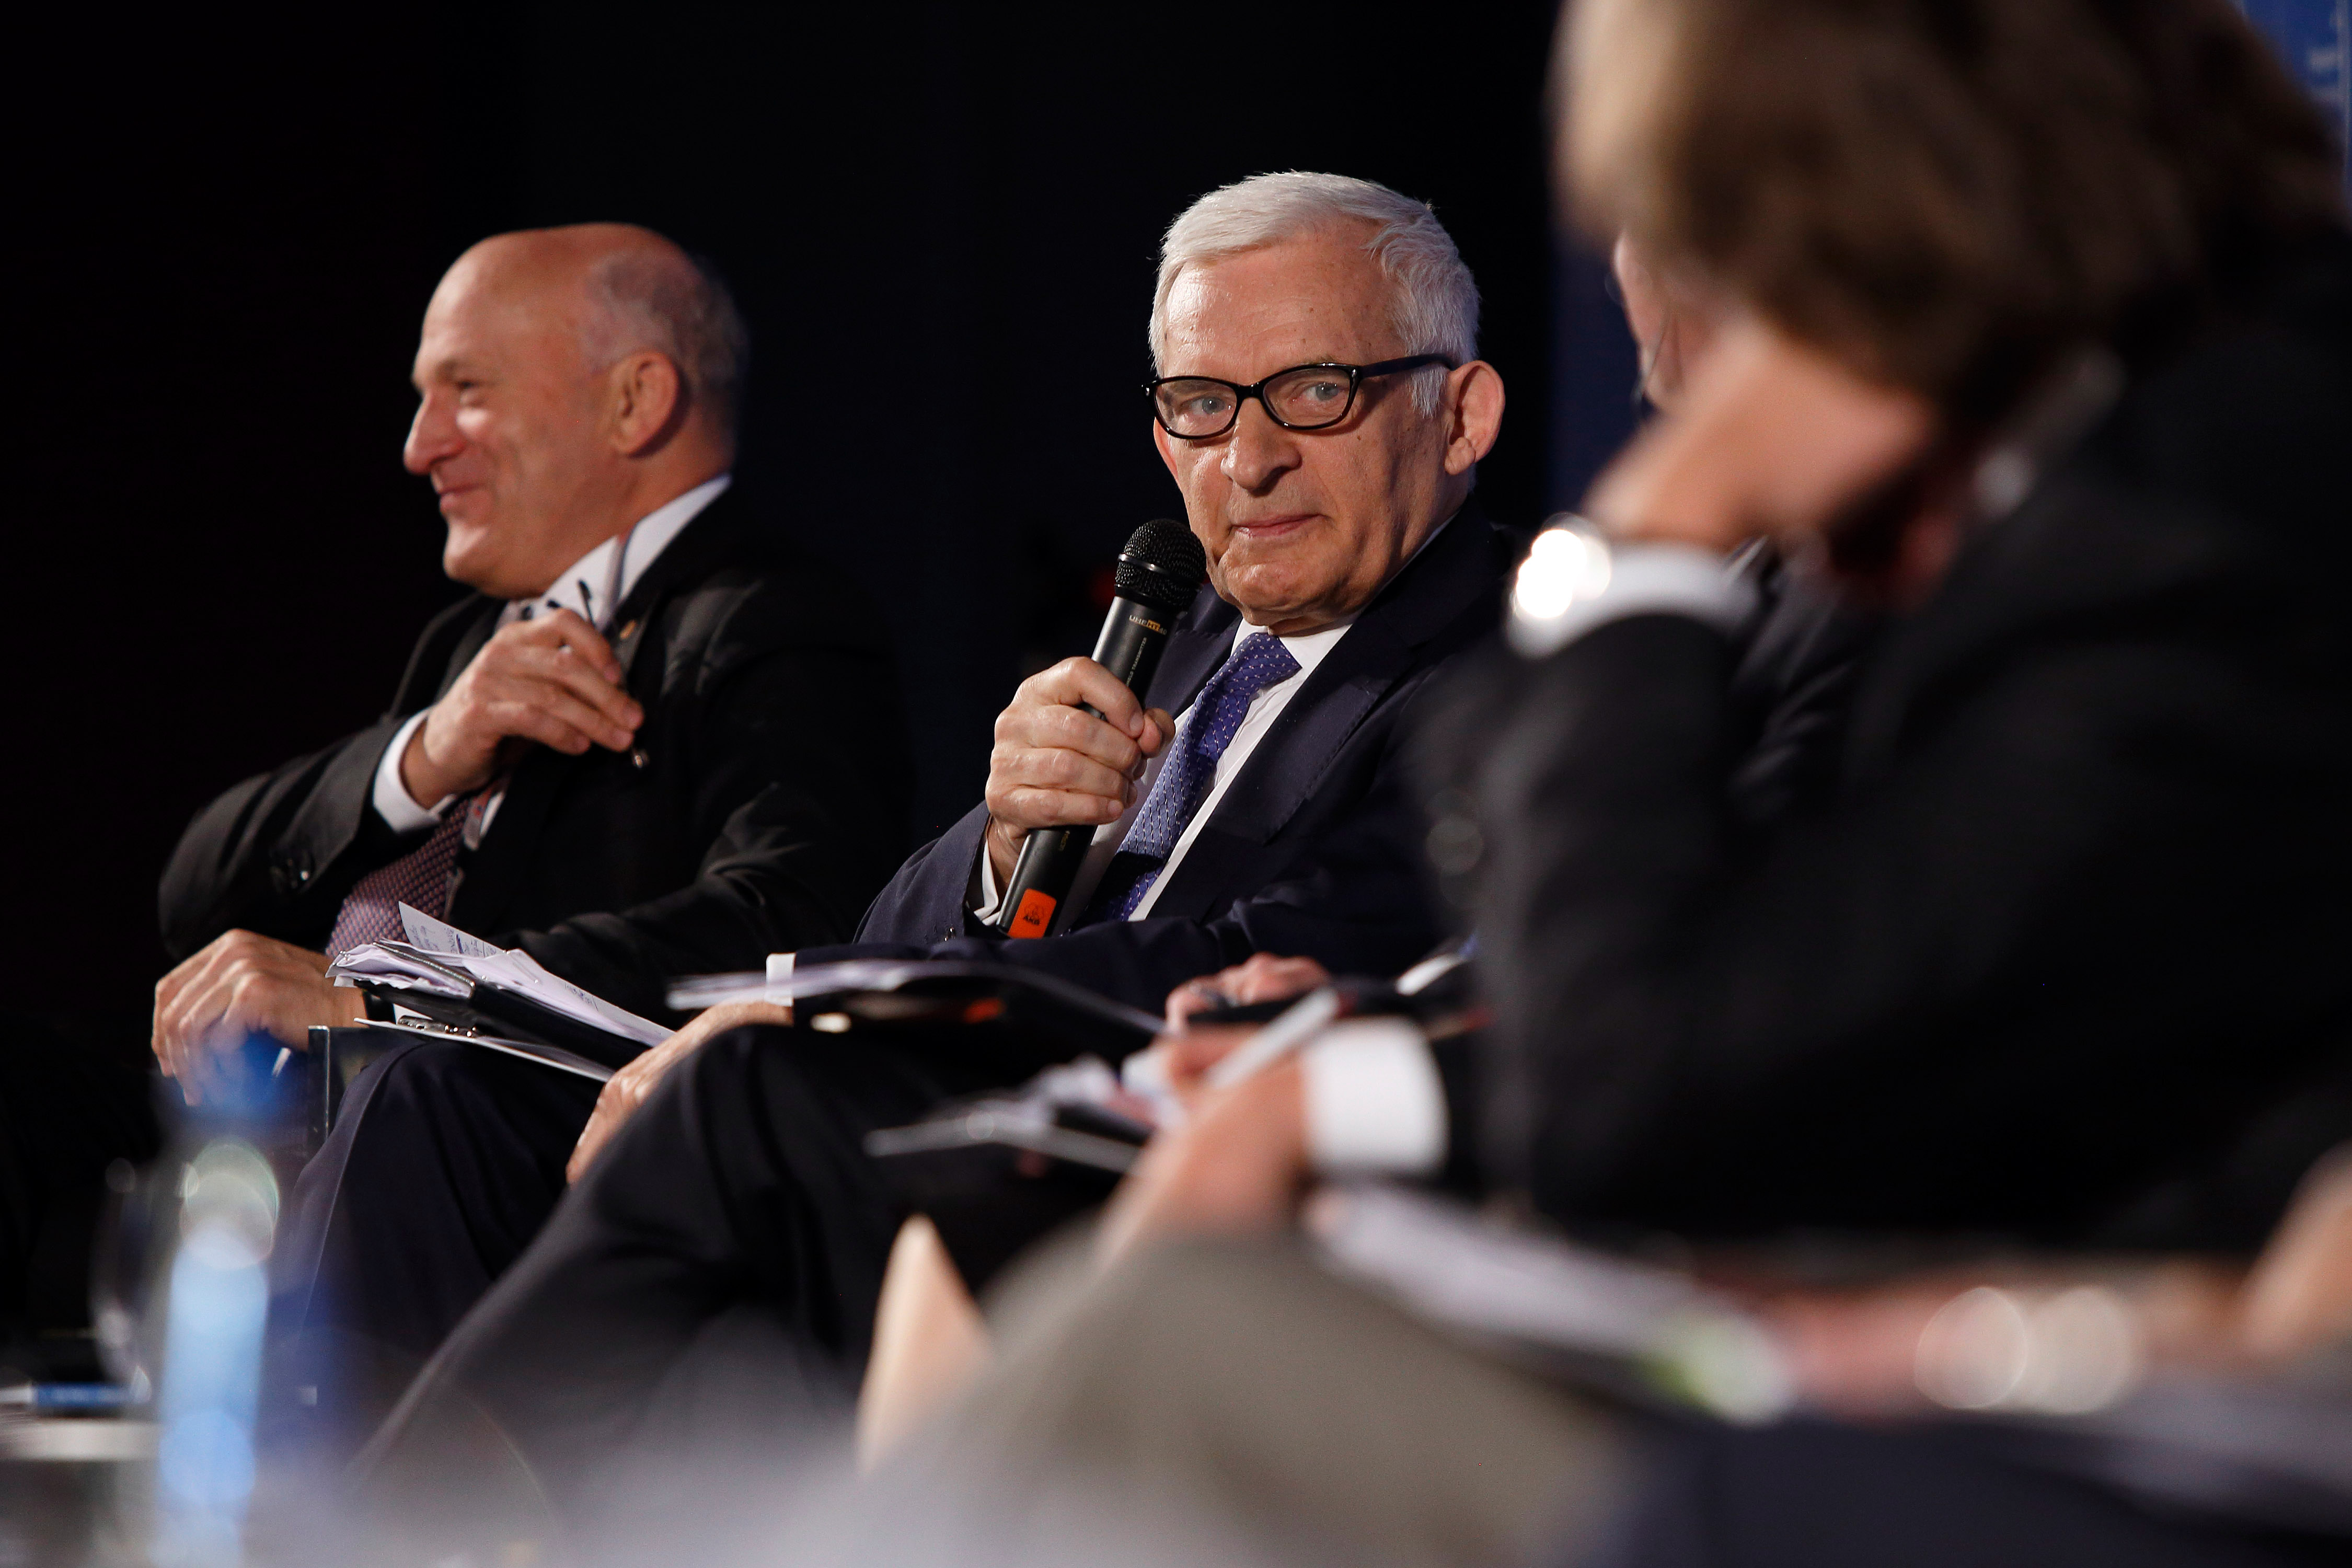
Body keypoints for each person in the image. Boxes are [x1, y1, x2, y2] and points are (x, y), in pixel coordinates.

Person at [790, 0, 2352, 1561]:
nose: (1638, 298)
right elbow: (1849, 984)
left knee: (1159, 1333)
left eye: (1669, 224)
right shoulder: (2119, 457)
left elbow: (1658, 1070)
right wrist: (1348, 1086)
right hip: (1916, 1298)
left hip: (2073, 1418)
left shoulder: (2205, 493)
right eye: (1200, 410)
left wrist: (1656, 530)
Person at [343, 179, 1888, 1559]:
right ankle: (372, 1507)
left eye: (1319, 392)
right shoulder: (1174, 643)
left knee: (739, 1102)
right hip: (977, 1085)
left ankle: (393, 1540)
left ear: (1462, 417)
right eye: (1204, 407)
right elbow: (891, 922)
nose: (1255, 459)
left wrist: (821, 1018)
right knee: (441, 1102)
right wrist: (1004, 841)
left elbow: (1325, 928)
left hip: (1149, 1130)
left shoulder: (1500, 643)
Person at [158, 224, 910, 1427]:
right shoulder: (467, 644)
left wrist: (390, 995)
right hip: (340, 1162)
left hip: (542, 1169)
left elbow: (796, 918)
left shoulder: (776, 617)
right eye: (420, 400)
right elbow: (196, 899)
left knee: (413, 1095)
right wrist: (420, 757)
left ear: (634, 401)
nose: (418, 448)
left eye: (466, 390)